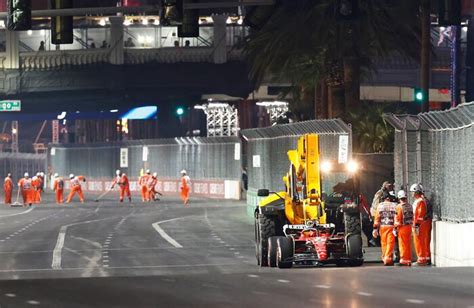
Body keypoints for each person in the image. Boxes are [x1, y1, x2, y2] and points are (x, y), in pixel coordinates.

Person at [372, 191, 397, 265]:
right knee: (390, 242)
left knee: (384, 243)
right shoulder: (394, 205)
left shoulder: (380, 206)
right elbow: (397, 216)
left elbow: (377, 219)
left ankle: (384, 257)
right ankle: (388, 258)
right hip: (391, 226)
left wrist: (375, 229)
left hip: (382, 227)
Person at [410, 183, 432, 265]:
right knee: (420, 241)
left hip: (419, 225)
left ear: (416, 192)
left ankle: (421, 259)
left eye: (412, 192)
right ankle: (423, 258)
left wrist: (416, 225)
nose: (412, 193)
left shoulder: (420, 201)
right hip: (419, 224)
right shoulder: (419, 201)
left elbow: (419, 214)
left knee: (419, 241)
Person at [394, 190, 413, 266]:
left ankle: (404, 260)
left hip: (402, 227)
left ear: (399, 198)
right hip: (409, 227)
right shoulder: (410, 206)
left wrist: (395, 228)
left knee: (402, 244)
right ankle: (408, 259)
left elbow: (398, 219)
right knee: (408, 244)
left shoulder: (399, 207)